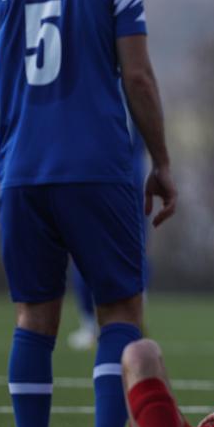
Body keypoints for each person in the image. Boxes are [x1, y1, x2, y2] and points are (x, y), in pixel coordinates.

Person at [0, 0, 177, 427]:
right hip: (96, 165)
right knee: (119, 309)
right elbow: (139, 76)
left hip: (22, 171)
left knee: (32, 318)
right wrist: (164, 162)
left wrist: (7, 152)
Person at [69, 131, 148, 351]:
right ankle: (118, 319)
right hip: (111, 166)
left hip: (100, 166)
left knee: (89, 247)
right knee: (126, 247)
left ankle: (114, 320)